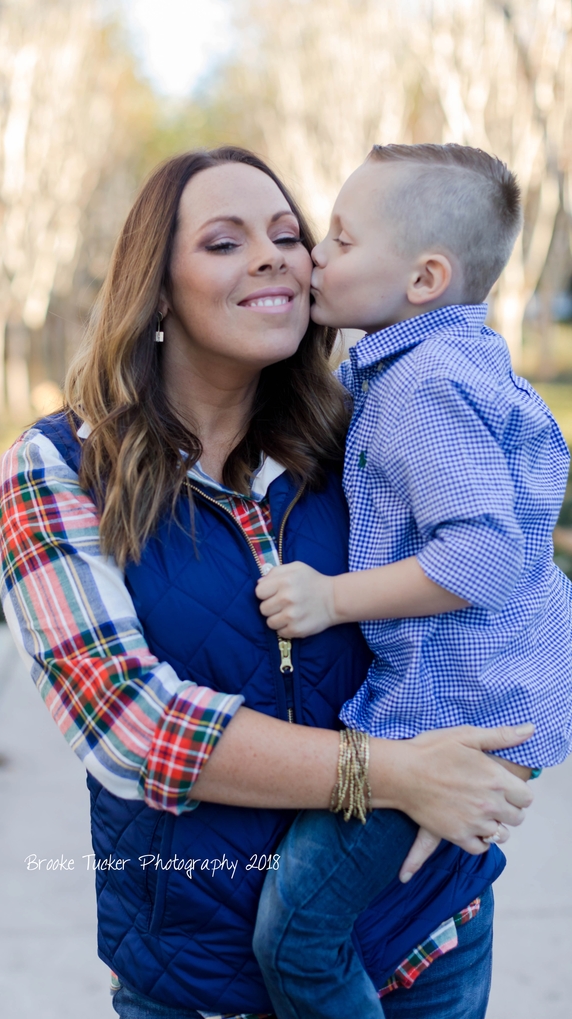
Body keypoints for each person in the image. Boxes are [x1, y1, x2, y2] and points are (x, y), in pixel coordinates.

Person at [0, 146, 534, 1019]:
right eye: (223, 241)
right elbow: (133, 725)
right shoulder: (60, 468)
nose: (275, 254)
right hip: (201, 984)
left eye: (290, 234)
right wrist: (392, 773)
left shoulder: (373, 433)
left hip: (425, 939)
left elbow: (501, 594)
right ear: (159, 289)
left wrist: (495, 764)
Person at [253, 143, 572, 1019]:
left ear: (425, 277)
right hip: (485, 702)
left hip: (443, 722)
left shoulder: (424, 385)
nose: (315, 254)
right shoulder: (446, 363)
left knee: (296, 936)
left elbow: (480, 554)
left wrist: (329, 598)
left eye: (343, 241)